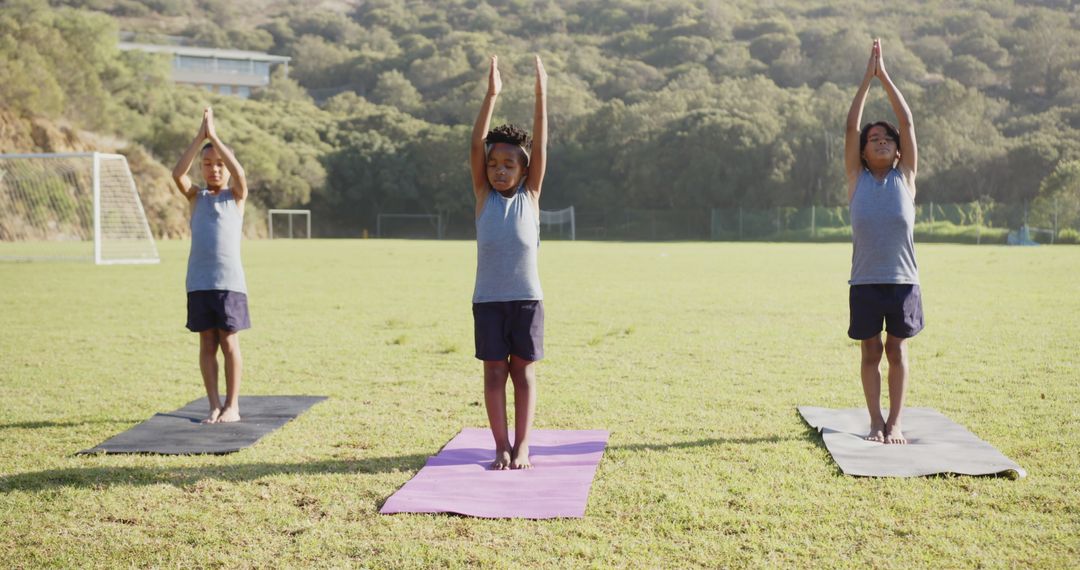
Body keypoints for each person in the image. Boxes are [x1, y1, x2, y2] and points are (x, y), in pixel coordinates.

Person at [470, 54, 548, 469]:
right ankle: (500, 445)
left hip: (526, 301)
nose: (500, 171)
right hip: (488, 301)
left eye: (509, 165)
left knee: (524, 374)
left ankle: (523, 445)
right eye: (494, 164)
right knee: (495, 373)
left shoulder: (530, 197)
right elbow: (474, 144)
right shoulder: (483, 196)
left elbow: (542, 141)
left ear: (524, 170)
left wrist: (541, 94)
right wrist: (492, 94)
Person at [844, 39, 923, 445]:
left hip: (903, 280)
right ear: (863, 150)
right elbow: (851, 127)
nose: (879, 140)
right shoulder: (856, 179)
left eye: (886, 140)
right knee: (870, 353)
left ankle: (895, 423)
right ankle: (875, 421)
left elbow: (907, 123)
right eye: (873, 138)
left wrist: (885, 75)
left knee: (897, 352)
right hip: (865, 281)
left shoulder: (904, 177)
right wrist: (866, 78)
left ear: (896, 152)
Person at [171, 107, 250, 424]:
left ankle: (233, 406)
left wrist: (214, 136)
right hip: (199, 282)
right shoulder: (196, 197)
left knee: (228, 341)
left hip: (229, 283)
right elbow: (177, 174)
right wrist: (200, 137)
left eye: (220, 164)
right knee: (206, 342)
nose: (214, 169)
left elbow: (241, 174)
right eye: (208, 164)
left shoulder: (236, 196)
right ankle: (213, 405)